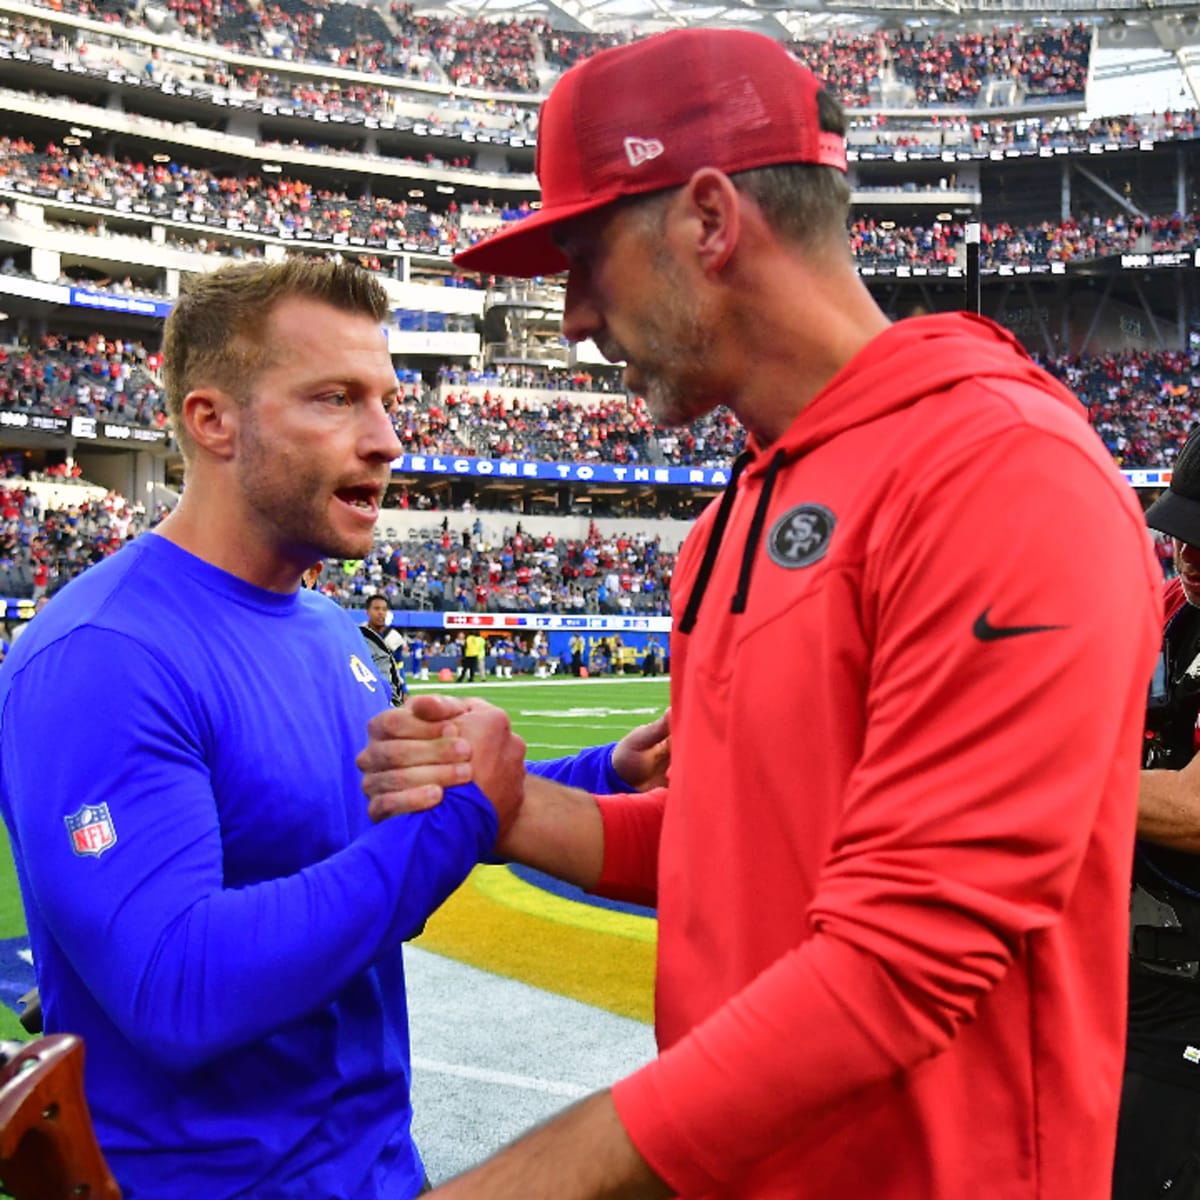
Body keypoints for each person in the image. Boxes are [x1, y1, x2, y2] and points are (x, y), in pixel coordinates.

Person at [361, 28, 1161, 1200]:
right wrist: (509, 799)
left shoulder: (1005, 475)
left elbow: (906, 960)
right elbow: (731, 848)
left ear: (708, 221)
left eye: (586, 255)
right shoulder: (741, 506)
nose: (575, 316)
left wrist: (526, 1180)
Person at [0, 259, 668, 1200]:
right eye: (336, 399)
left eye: (387, 402)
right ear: (213, 421)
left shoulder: (327, 628)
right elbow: (176, 986)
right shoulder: (101, 658)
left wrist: (600, 770)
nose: (388, 440)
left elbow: (364, 811)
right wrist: (461, 822)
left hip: (380, 1171)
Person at [1116, 425, 1200, 1198]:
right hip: (1140, 965)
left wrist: (1031, 779)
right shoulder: (1169, 607)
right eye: (1181, 534)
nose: (1190, 557)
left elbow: (1199, 810)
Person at [361, 592, 408, 705]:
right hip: (364, 686)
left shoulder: (394, 637)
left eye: (384, 609)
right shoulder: (359, 634)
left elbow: (398, 665)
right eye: (376, 608)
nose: (381, 613)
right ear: (367, 612)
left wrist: (404, 690)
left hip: (387, 688)